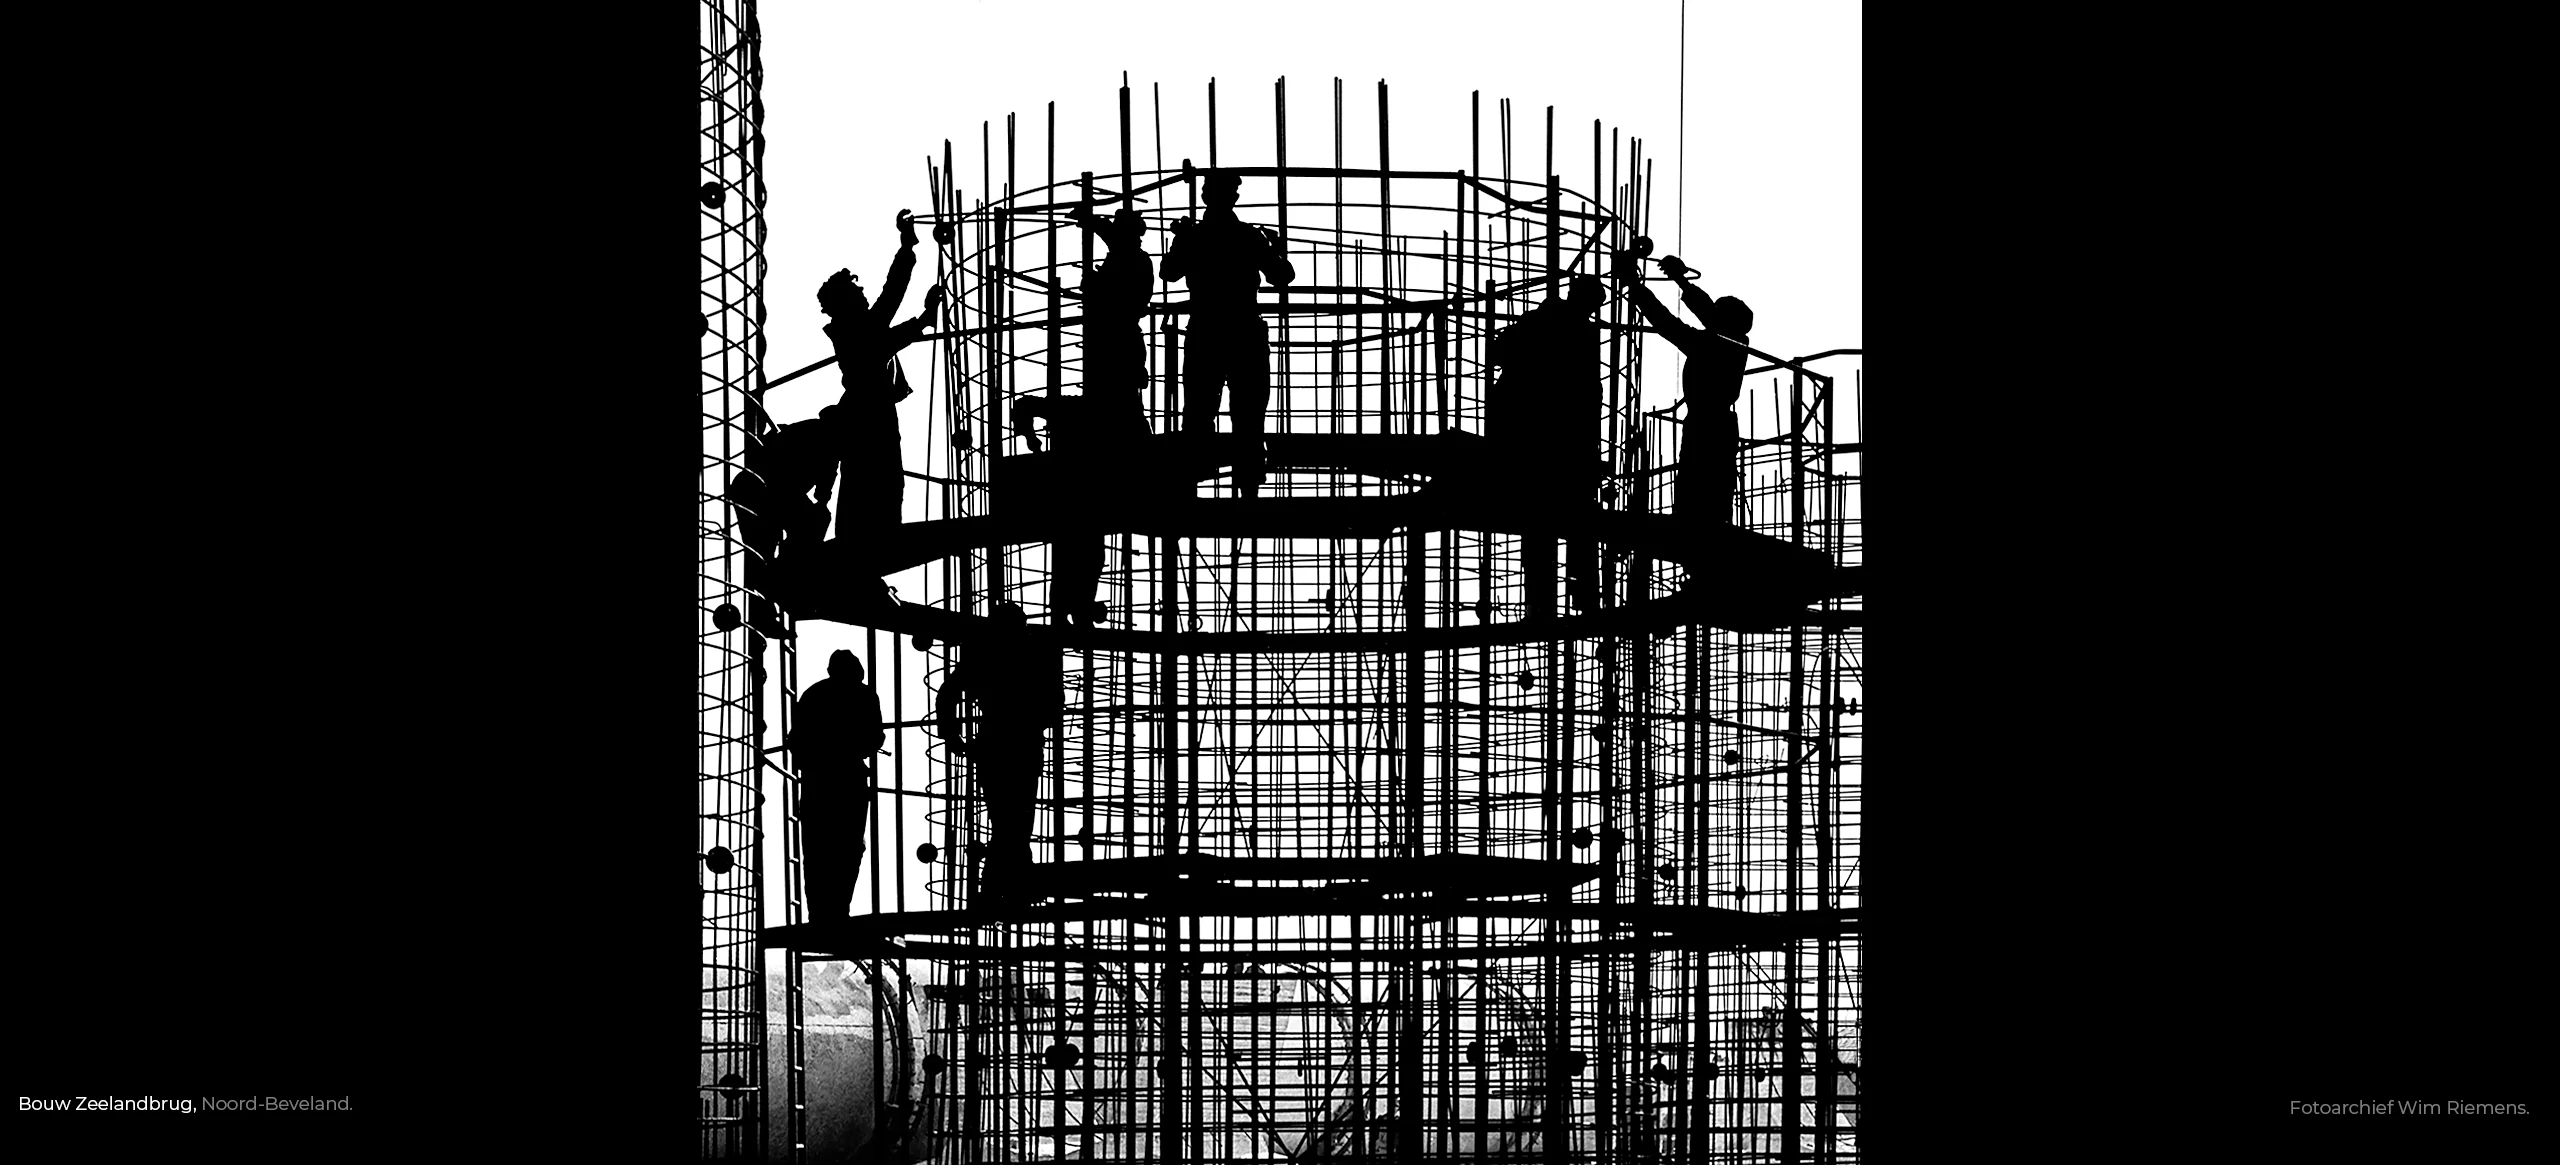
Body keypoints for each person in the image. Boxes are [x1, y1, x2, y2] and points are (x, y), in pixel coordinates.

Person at [1160, 169, 1294, 497]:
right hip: (1244, 331)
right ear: (1234, 196)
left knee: (1198, 411)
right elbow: (1282, 276)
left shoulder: (1195, 236)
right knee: (1248, 413)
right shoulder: (1248, 236)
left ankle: (1190, 484)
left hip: (1206, 331)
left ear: (1206, 196)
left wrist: (1181, 237)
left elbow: (1168, 272)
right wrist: (1275, 246)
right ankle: (1247, 486)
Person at [820, 210, 947, 546]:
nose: (863, 296)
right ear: (844, 303)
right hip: (867, 413)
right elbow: (891, 300)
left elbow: (890, 303)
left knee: (878, 478)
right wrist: (922, 320)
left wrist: (922, 319)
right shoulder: (854, 330)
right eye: (855, 293)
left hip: (870, 411)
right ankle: (870, 538)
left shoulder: (858, 327)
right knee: (878, 476)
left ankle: (870, 536)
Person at [1484, 273, 1606, 613]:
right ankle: (1575, 600)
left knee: (1545, 521)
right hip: (1547, 439)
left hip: (1548, 439)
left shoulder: (1559, 323)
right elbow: (1499, 353)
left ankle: (1550, 603)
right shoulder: (1556, 323)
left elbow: (1497, 353)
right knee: (1569, 519)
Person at [1612, 243, 1752, 526]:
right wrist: (1680, 279)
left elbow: (1666, 323)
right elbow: (1708, 312)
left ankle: (1697, 542)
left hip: (1707, 426)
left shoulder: (1714, 344)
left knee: (1697, 493)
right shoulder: (1732, 341)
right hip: (1716, 424)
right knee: (1708, 494)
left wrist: (1635, 287)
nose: (1710, 315)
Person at [933, 602, 1062, 907]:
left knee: (1007, 822)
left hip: (991, 746)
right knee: (1016, 824)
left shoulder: (982, 655)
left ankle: (1002, 888)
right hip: (1024, 746)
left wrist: (952, 736)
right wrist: (1035, 720)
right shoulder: (1034, 655)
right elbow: (1055, 702)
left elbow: (947, 694)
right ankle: (1009, 887)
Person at [724, 411, 841, 639]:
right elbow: (822, 493)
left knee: (761, 553)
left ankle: (775, 589)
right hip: (763, 491)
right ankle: (783, 580)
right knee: (765, 550)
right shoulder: (828, 441)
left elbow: (821, 492)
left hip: (757, 490)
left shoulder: (813, 432)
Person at [790, 650, 886, 921]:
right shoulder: (865, 695)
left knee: (817, 847)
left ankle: (818, 914)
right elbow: (874, 738)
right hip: (850, 780)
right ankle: (839, 910)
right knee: (849, 846)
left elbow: (796, 741)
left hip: (816, 780)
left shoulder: (812, 695)